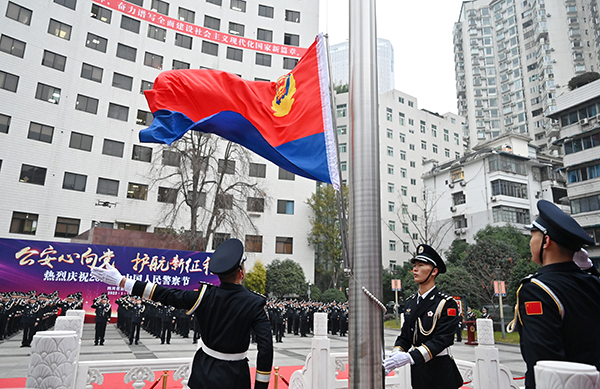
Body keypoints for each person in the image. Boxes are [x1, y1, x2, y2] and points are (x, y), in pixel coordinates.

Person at [92, 238, 273, 389]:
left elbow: (164, 294)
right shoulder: (255, 303)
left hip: (203, 371)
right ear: (241, 272)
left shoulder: (203, 296)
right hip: (235, 377)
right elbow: (265, 349)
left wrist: (122, 281)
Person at [507, 200, 600, 389]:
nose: (530, 242)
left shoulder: (537, 290)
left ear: (546, 241)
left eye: (533, 236)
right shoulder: (592, 282)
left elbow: (544, 361)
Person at [383, 244, 463, 389]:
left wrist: (410, 357)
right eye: (414, 265)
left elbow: (443, 339)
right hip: (419, 372)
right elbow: (405, 336)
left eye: (421, 265)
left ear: (434, 271)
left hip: (441, 373)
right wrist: (396, 354)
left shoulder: (446, 303)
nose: (415, 269)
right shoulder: (410, 302)